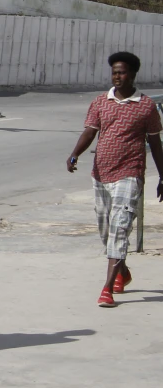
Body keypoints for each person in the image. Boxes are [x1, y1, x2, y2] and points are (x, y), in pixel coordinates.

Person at [67, 51, 163, 308]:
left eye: (121, 72)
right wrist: (75, 154)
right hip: (101, 174)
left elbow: (155, 143)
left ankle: (107, 289)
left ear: (132, 74)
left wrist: (162, 176)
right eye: (114, 72)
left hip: (130, 173)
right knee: (106, 230)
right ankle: (122, 271)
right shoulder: (100, 102)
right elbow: (90, 131)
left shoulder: (146, 106)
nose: (117, 77)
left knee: (120, 227)